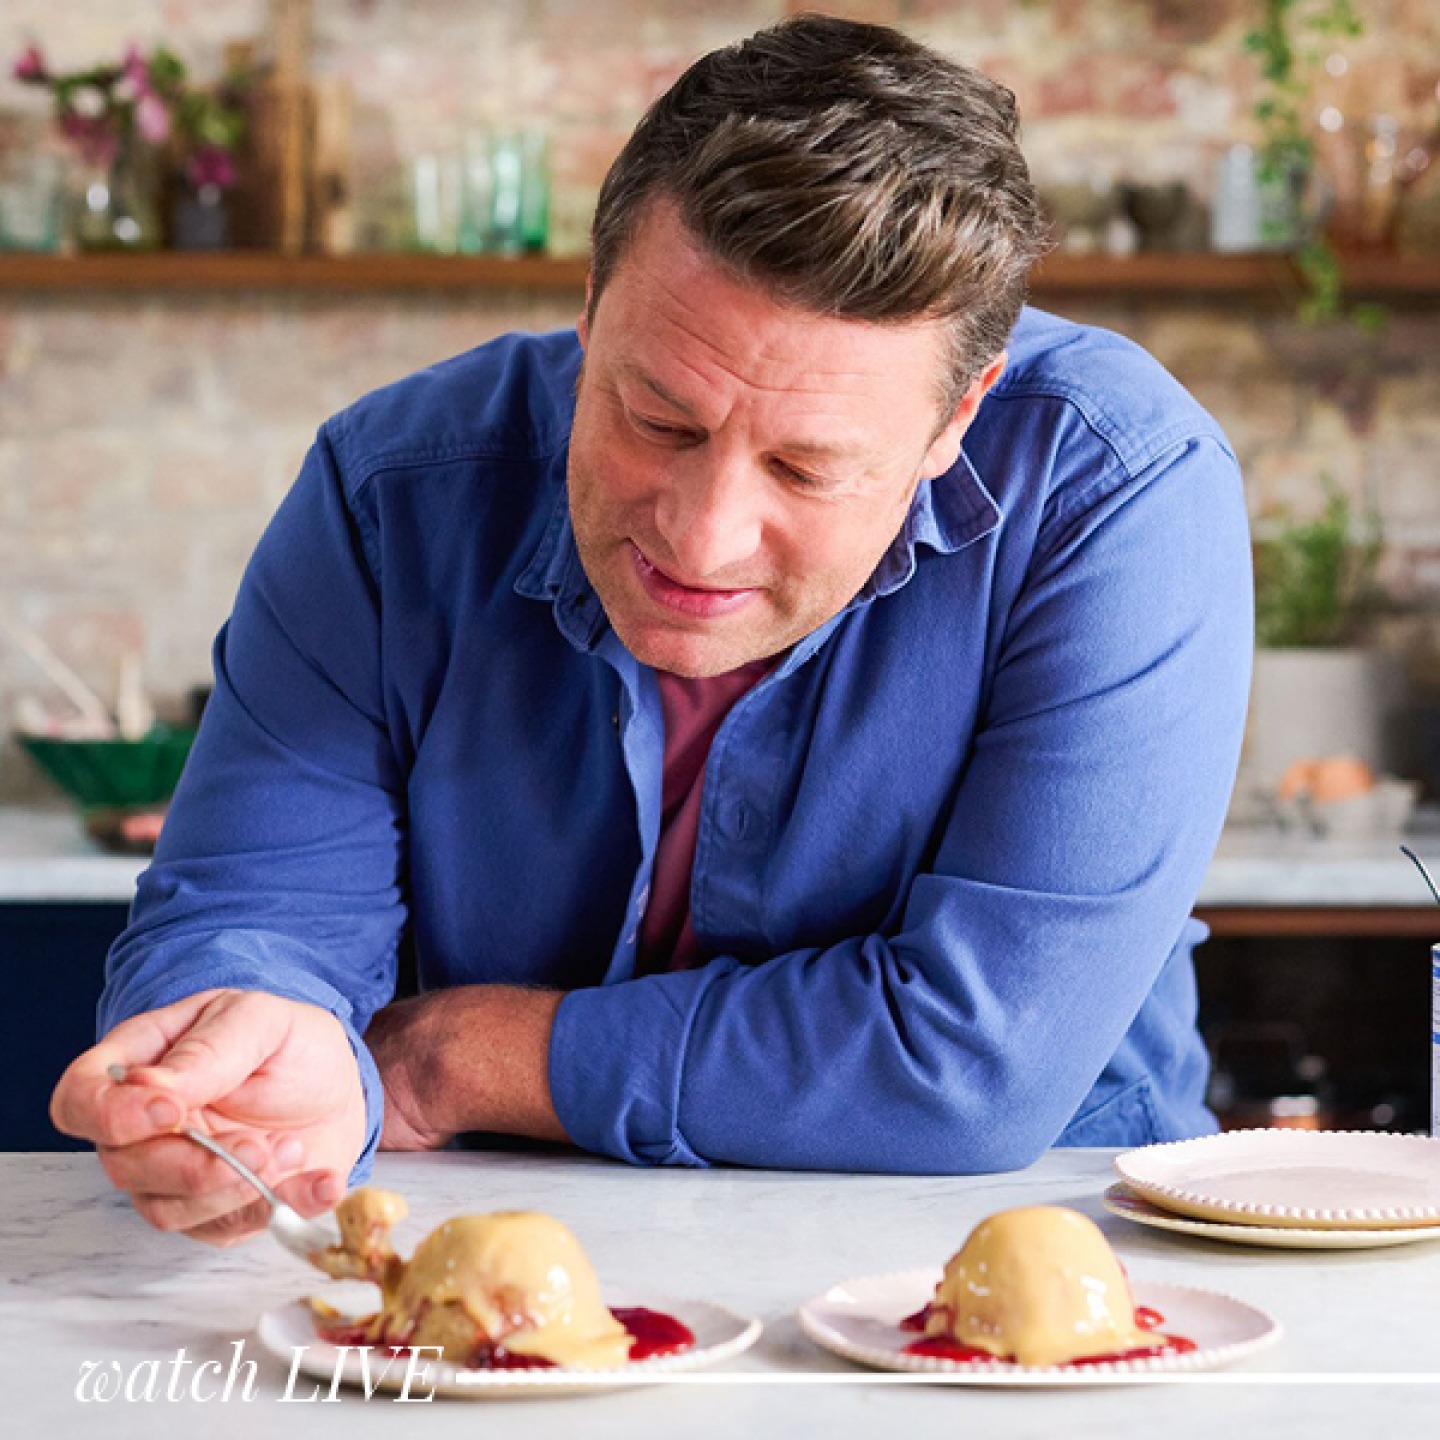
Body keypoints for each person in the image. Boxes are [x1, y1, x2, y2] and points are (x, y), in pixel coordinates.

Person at [50, 14, 1252, 1245]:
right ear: (590, 308)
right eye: (659, 421)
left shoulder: (1118, 488)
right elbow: (256, 915)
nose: (703, 534)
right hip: (508, 1260)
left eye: (804, 468)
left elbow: (972, 1061)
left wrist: (457, 1057)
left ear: (958, 420)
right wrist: (251, 1058)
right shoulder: (391, 493)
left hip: (1044, 1265)